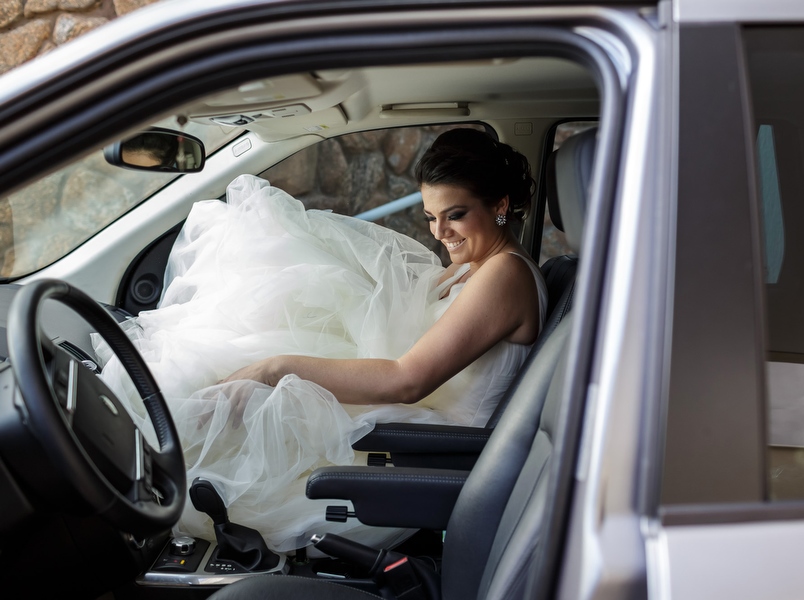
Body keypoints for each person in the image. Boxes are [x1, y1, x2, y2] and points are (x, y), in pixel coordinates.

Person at [94, 128, 548, 551]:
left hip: (423, 448)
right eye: (431, 217)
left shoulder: (504, 275)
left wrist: (275, 368)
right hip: (412, 427)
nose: (439, 233)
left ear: (500, 205)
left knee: (248, 394)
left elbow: (407, 380)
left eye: (456, 216)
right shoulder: (480, 267)